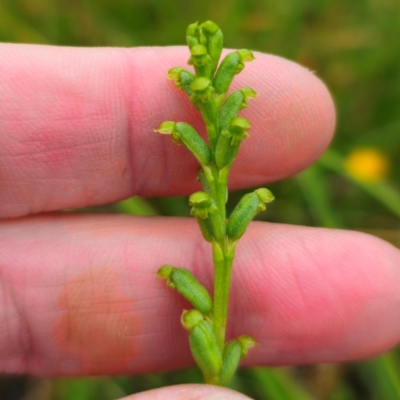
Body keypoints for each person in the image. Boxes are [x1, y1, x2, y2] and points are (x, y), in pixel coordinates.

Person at [0, 44, 399, 400]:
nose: (209, 96)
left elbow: (220, 164)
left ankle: (225, 348)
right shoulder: (207, 147)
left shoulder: (225, 141)